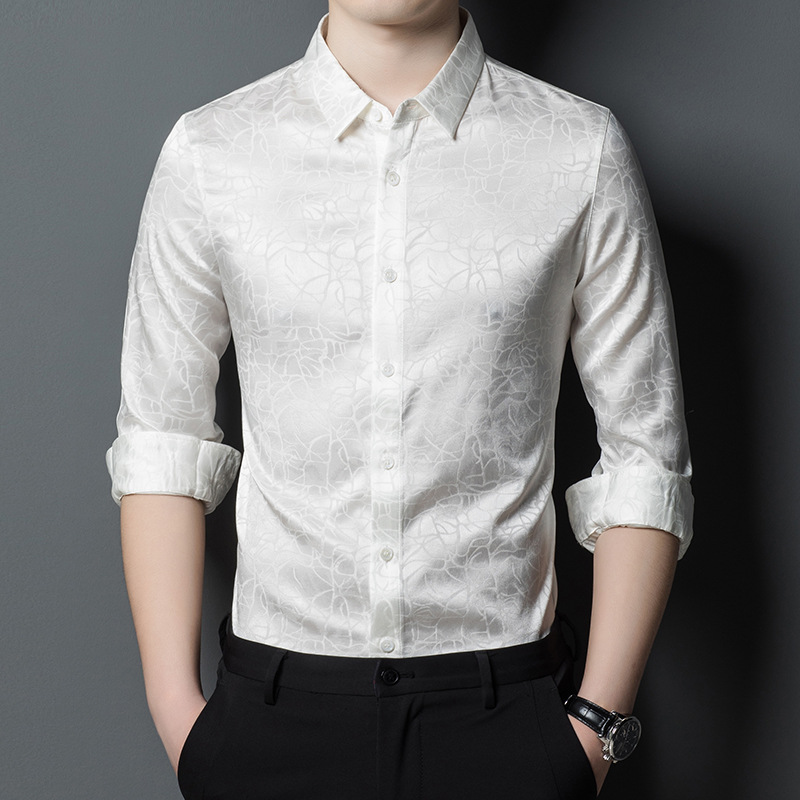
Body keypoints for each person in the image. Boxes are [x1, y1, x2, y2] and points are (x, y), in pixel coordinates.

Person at [107, 2, 694, 798]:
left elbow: (645, 457)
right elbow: (161, 442)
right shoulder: (212, 152)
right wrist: (182, 718)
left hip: (506, 718)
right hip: (272, 722)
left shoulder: (577, 147)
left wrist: (592, 729)